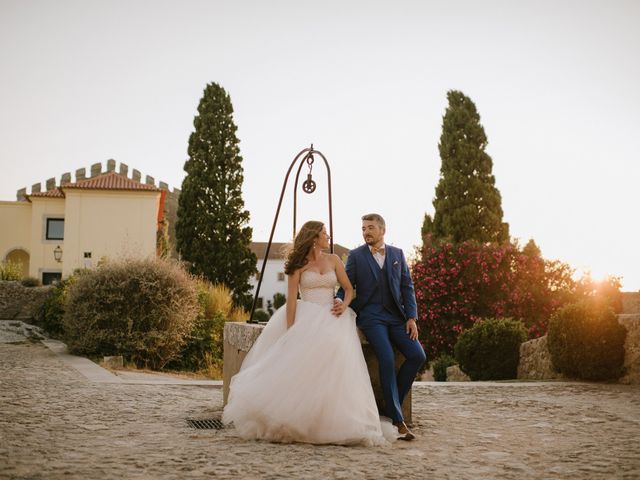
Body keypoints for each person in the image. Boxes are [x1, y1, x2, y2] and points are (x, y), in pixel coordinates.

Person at [222, 221, 397, 446]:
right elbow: (292, 300)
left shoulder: (334, 260)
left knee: (336, 368)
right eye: (324, 233)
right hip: (307, 318)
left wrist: (343, 304)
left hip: (333, 319)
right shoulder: (298, 265)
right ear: (314, 238)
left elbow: (350, 288)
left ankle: (333, 420)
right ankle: (302, 420)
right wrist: (290, 332)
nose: (328, 236)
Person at [336, 213, 426, 440]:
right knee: (386, 357)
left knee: (417, 355)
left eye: (371, 228)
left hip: (397, 317)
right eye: (364, 228)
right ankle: (397, 421)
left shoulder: (397, 254)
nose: (366, 232)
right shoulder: (356, 256)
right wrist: (339, 303)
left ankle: (390, 403)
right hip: (371, 317)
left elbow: (407, 287)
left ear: (382, 230)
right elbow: (346, 285)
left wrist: (411, 317)